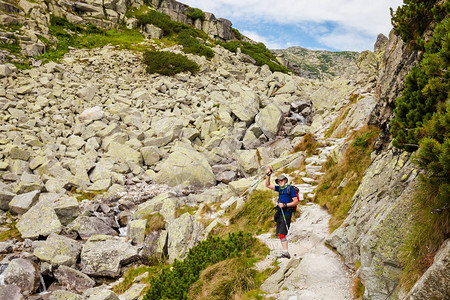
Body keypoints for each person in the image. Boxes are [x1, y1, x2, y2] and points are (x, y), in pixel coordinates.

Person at [265, 166, 299, 259]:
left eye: (281, 180)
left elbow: (296, 202)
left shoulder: (290, 189)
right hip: (279, 213)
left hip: (286, 213)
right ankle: (285, 252)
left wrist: (284, 205)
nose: (280, 182)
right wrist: (268, 175)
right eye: (278, 181)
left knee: (282, 233)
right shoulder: (280, 189)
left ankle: (285, 253)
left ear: (285, 180)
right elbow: (267, 185)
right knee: (280, 233)